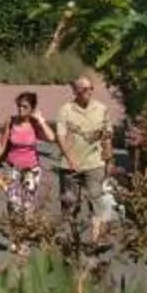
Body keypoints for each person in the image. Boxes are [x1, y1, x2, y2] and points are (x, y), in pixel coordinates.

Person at [53, 72, 116, 242]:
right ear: (76, 91)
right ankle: (71, 237)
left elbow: (107, 137)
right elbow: (60, 136)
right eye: (85, 89)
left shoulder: (101, 109)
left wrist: (109, 160)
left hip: (95, 163)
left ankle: (97, 239)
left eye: (91, 88)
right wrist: (70, 158)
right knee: (70, 203)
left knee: (97, 200)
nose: (89, 92)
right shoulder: (66, 110)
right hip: (70, 165)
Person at [0, 91, 50, 223]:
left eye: (25, 107)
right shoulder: (11, 121)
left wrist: (41, 120)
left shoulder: (34, 124)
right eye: (19, 106)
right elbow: (1, 144)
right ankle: (14, 233)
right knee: (13, 203)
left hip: (32, 170)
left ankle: (26, 233)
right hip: (13, 168)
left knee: (28, 205)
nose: (20, 109)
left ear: (32, 109)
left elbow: (51, 138)